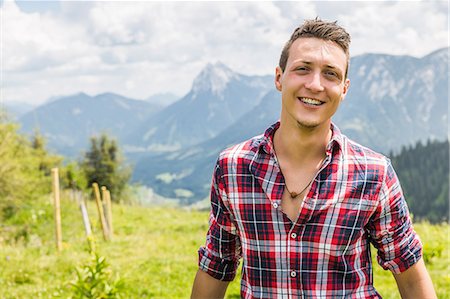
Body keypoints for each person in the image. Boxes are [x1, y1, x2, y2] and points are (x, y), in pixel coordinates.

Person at [191, 18, 436, 298]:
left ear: (344, 89)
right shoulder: (233, 168)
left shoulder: (374, 174)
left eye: (330, 74)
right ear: (279, 78)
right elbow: (215, 266)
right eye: (303, 69)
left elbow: (411, 276)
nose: (315, 84)